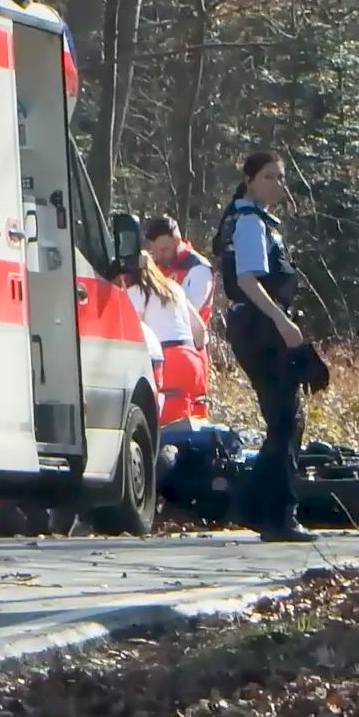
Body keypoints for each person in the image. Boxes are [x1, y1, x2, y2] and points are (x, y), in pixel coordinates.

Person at [212, 150, 316, 542]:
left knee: (285, 419)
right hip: (259, 326)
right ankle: (276, 514)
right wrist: (281, 321)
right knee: (285, 418)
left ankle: (259, 507)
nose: (278, 184)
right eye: (270, 177)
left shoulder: (253, 219)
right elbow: (249, 280)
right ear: (251, 180)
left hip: (257, 325)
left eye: (281, 177)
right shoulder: (250, 223)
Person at [118, 251, 209, 425]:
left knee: (166, 431)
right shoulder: (174, 288)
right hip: (193, 362)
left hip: (168, 363)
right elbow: (201, 332)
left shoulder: (136, 292)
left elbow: (133, 333)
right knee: (194, 429)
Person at [143, 215, 214, 324]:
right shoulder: (158, 266)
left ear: (177, 240)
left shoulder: (198, 268)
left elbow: (185, 314)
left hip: (188, 338)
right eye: (154, 251)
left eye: (164, 250)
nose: (159, 257)